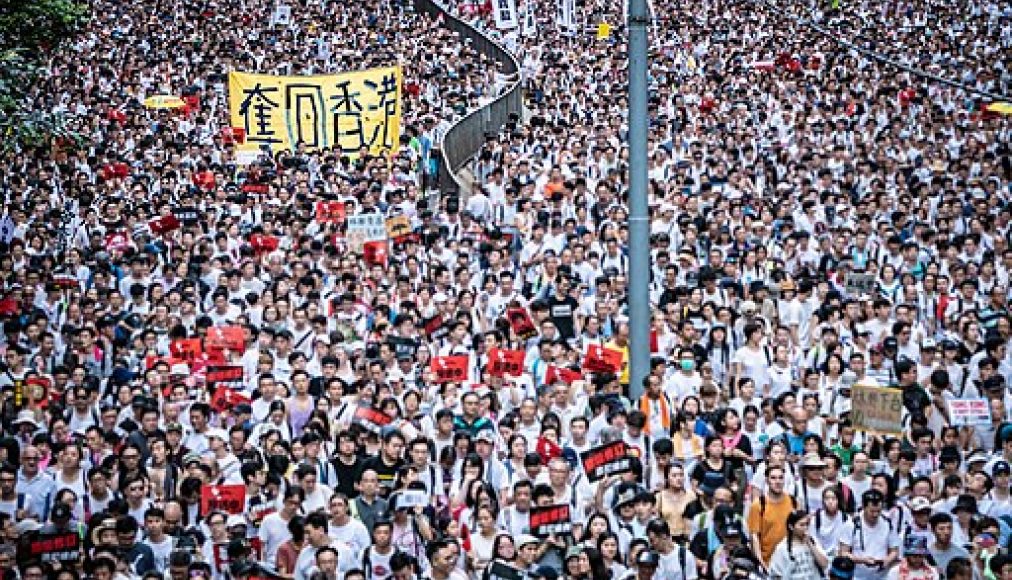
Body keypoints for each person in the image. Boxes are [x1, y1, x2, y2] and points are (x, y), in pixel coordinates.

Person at [839, 490, 901, 580]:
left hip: (882, 575)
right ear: (863, 507)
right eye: (872, 511)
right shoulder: (851, 524)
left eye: (878, 511)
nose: (875, 514)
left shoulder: (888, 523)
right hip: (857, 575)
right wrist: (862, 560)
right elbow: (843, 553)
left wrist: (887, 560)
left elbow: (894, 550)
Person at [767, 510, 829, 580]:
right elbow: (776, 575)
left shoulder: (812, 541)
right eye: (801, 525)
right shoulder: (782, 548)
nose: (805, 528)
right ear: (791, 527)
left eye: (806, 524)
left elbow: (824, 564)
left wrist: (810, 544)